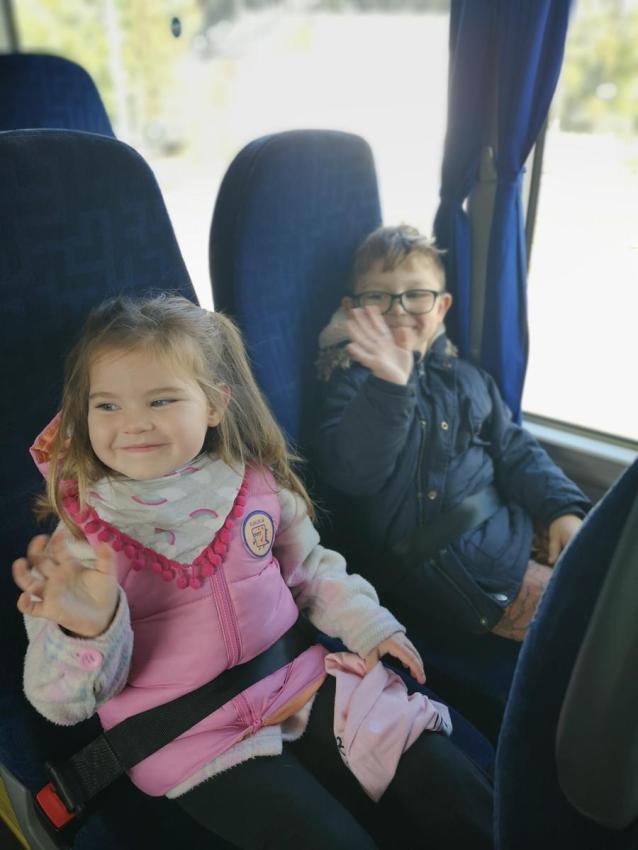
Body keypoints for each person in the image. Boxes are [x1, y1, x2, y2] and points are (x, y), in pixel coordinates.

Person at [13, 294, 493, 850]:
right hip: (188, 741)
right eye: (107, 406)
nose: (134, 424)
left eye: (161, 399)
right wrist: (86, 631)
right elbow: (60, 704)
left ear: (214, 405)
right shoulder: (80, 544)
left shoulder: (254, 485)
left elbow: (311, 569)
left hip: (299, 679)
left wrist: (366, 623)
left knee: (445, 780)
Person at [314, 225, 590, 643]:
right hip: (452, 564)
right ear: (353, 310)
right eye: (378, 296)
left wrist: (561, 508)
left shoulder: (466, 377)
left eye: (416, 294)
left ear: (441, 307)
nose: (398, 309)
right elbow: (355, 474)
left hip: (510, 527)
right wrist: (390, 385)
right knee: (588, 623)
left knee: (608, 568)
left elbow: (515, 450)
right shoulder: (349, 385)